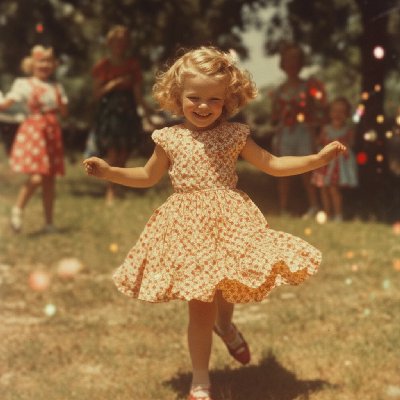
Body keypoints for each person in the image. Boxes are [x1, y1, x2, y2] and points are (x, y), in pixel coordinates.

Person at [83, 46, 346, 400]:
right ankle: (200, 381)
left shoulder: (235, 135)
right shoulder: (170, 138)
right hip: (188, 229)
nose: (204, 106)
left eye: (214, 100)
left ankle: (227, 327)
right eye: (194, 97)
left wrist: (317, 159)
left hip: (229, 223)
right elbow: (147, 176)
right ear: (178, 96)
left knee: (226, 287)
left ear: (228, 100)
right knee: (200, 305)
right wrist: (110, 172)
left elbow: (273, 163)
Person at [0, 45, 68, 233]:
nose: (45, 65)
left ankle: (49, 223)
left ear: (54, 65)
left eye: (49, 61)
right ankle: (17, 209)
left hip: (52, 132)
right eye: (40, 61)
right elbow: (5, 104)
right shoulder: (24, 84)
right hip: (35, 132)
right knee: (37, 177)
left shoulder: (56, 87)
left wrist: (61, 102)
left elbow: (64, 113)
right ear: (32, 64)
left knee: (49, 180)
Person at [91, 25, 152, 205]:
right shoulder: (103, 65)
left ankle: (119, 186)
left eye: (124, 41)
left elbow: (138, 94)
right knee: (113, 151)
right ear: (110, 43)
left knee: (125, 151)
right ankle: (110, 191)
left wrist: (148, 111)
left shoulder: (133, 65)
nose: (120, 45)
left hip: (128, 110)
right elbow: (96, 94)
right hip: (110, 111)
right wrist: (114, 84)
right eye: (116, 41)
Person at [270, 43, 327, 218]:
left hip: (304, 131)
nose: (292, 64)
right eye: (288, 60)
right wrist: (282, 113)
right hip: (285, 132)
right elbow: (273, 116)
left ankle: (314, 206)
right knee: (283, 169)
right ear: (283, 63)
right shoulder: (279, 90)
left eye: (296, 60)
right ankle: (283, 208)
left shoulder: (309, 86)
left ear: (301, 63)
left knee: (307, 168)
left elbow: (321, 105)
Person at [312, 97, 358, 221]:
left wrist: (344, 145)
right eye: (335, 111)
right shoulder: (326, 129)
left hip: (338, 164)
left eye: (341, 112)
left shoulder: (348, 130)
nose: (337, 114)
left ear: (347, 114)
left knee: (333, 189)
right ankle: (327, 213)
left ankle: (338, 214)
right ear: (330, 113)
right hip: (325, 162)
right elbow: (319, 141)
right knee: (323, 188)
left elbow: (350, 144)